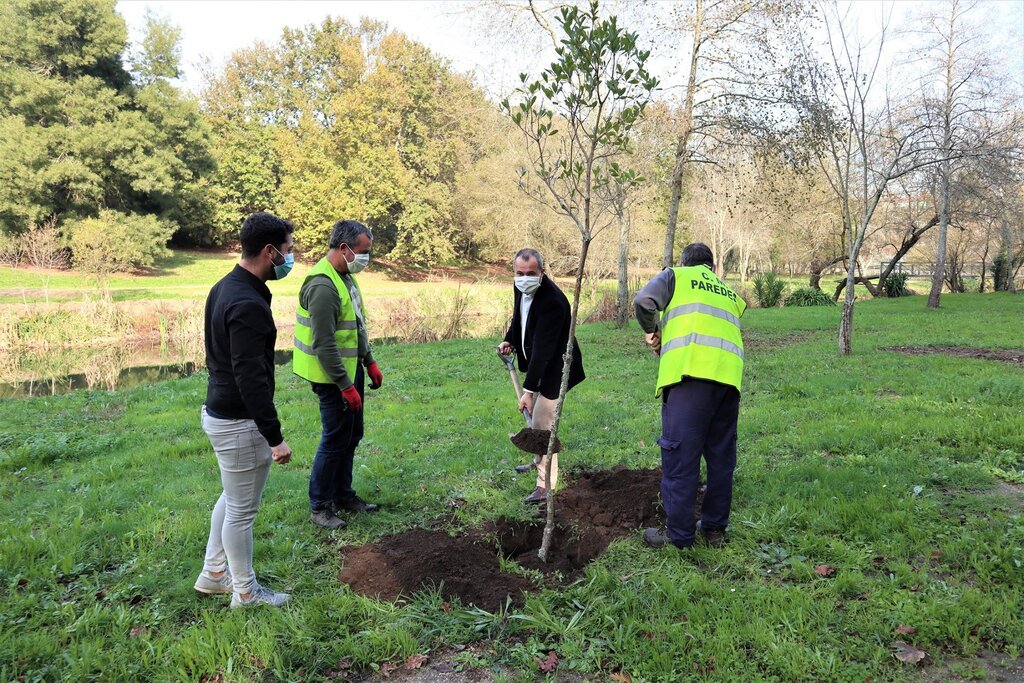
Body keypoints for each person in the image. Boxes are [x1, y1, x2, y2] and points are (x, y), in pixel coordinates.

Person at [195, 212, 295, 608]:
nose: (291, 257)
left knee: (231, 498)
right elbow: (250, 377)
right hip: (238, 421)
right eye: (288, 250)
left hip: (219, 412)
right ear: (269, 251)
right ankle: (246, 592)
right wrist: (275, 437)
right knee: (242, 511)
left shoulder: (225, 286)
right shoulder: (247, 301)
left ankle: (213, 573)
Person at [633, 242, 746, 549]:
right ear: (713, 267)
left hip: (690, 377)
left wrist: (651, 329)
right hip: (728, 379)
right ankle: (714, 530)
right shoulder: (727, 292)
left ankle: (679, 534)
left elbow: (644, 300)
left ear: (684, 262)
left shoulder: (676, 276)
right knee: (721, 458)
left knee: (680, 457)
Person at [294, 220, 383, 529]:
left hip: (349, 372)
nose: (366, 259)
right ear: (344, 249)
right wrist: (345, 386)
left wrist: (368, 361)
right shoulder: (322, 286)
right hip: (331, 379)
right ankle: (320, 506)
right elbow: (324, 343)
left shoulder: (345, 277)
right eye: (363, 252)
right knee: (334, 439)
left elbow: (355, 325)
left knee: (352, 435)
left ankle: (343, 495)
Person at [497, 248, 585, 504]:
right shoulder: (521, 288)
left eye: (531, 273)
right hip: (540, 364)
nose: (524, 278)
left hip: (557, 368)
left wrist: (528, 391)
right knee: (536, 422)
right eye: (519, 273)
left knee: (543, 426)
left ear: (542, 273)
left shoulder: (553, 302)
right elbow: (520, 319)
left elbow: (544, 352)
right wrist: (510, 339)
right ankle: (538, 460)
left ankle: (545, 486)